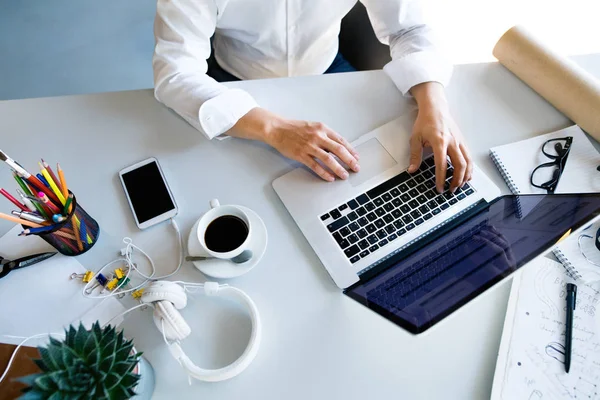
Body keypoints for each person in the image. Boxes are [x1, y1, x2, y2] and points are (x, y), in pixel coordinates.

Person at [153, 0, 473, 193]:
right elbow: (175, 72)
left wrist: (434, 103)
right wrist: (275, 129)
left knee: (370, 177)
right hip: (237, 85)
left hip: (328, 68)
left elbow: (409, 28)